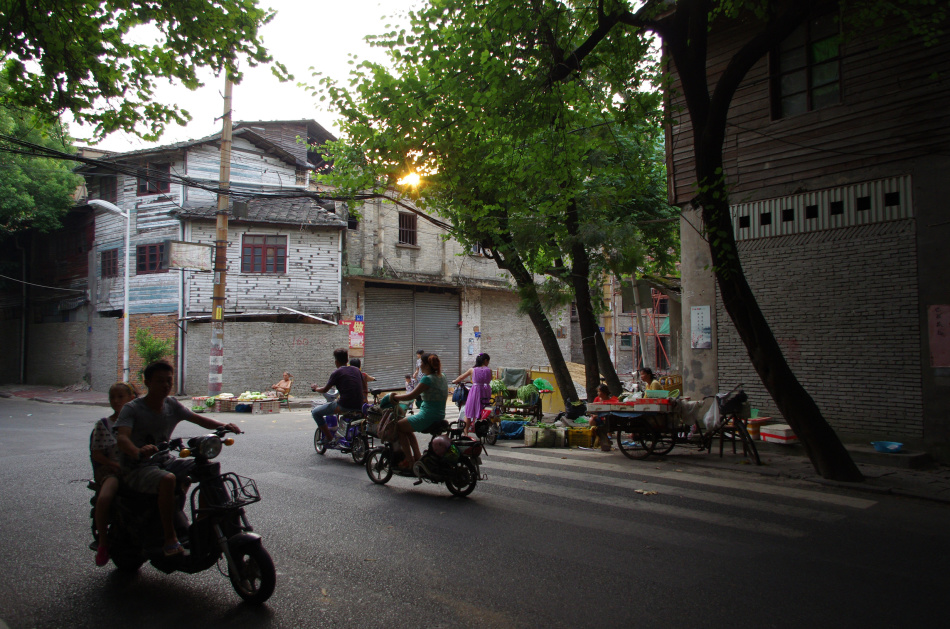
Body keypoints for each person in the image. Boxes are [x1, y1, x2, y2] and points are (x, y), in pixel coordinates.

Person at [115, 361, 241, 557]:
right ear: (147, 382)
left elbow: (199, 419)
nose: (166, 385)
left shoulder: (171, 404)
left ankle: (206, 522)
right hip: (137, 466)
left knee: (206, 468)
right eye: (160, 381)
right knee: (168, 479)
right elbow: (122, 437)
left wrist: (225, 426)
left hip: (164, 461)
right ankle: (170, 538)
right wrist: (137, 451)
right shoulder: (132, 408)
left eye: (169, 381)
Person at [90, 381, 137, 566]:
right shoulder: (103, 424)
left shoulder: (138, 422)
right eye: (112, 397)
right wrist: (114, 465)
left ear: (131, 399)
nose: (116, 401)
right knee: (105, 497)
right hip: (112, 470)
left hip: (136, 466)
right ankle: (103, 543)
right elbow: (97, 454)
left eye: (121, 397)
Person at [390, 352, 448, 471]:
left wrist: (395, 397)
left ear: (427, 365)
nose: (420, 366)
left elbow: (411, 395)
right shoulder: (442, 376)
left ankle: (410, 461)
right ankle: (417, 456)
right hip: (439, 415)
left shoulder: (427, 379)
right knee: (407, 428)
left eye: (421, 363)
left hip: (427, 416)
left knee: (399, 426)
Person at [310, 348, 366, 445]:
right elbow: (364, 387)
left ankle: (330, 438)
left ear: (336, 362)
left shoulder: (337, 372)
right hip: (359, 405)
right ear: (347, 360)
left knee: (315, 412)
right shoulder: (357, 370)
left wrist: (316, 389)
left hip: (344, 406)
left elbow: (325, 390)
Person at [451, 352, 492, 435]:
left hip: (475, 391)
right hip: (486, 391)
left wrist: (455, 381)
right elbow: (489, 379)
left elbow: (462, 377)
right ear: (485, 360)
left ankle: (465, 432)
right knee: (485, 407)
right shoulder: (489, 370)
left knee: (469, 411)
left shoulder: (472, 370)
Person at [590, 383, 620, 451]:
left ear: (604, 392)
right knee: (591, 420)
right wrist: (594, 415)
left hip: (609, 419)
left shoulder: (613, 400)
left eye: (599, 391)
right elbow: (593, 411)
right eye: (598, 391)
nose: (598, 393)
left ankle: (607, 437)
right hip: (599, 418)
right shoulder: (597, 399)